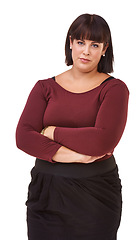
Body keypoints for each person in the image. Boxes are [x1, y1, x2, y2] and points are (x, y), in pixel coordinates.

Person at [16, 13, 129, 240]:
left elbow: (102, 141)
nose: (86, 51)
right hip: (46, 192)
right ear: (70, 43)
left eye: (94, 44)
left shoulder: (114, 89)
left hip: (95, 196)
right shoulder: (44, 87)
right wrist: (76, 156)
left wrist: (51, 132)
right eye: (80, 42)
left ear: (104, 49)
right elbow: (23, 137)